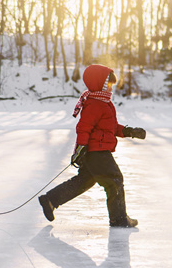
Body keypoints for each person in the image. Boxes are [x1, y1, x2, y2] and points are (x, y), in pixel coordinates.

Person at [38, 64, 146, 227]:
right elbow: (83, 127)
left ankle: (50, 200)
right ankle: (119, 218)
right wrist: (80, 148)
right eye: (108, 84)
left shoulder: (104, 103)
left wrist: (130, 131)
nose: (111, 88)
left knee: (85, 180)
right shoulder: (95, 104)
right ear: (100, 84)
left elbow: (112, 127)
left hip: (95, 151)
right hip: (97, 151)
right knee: (115, 179)